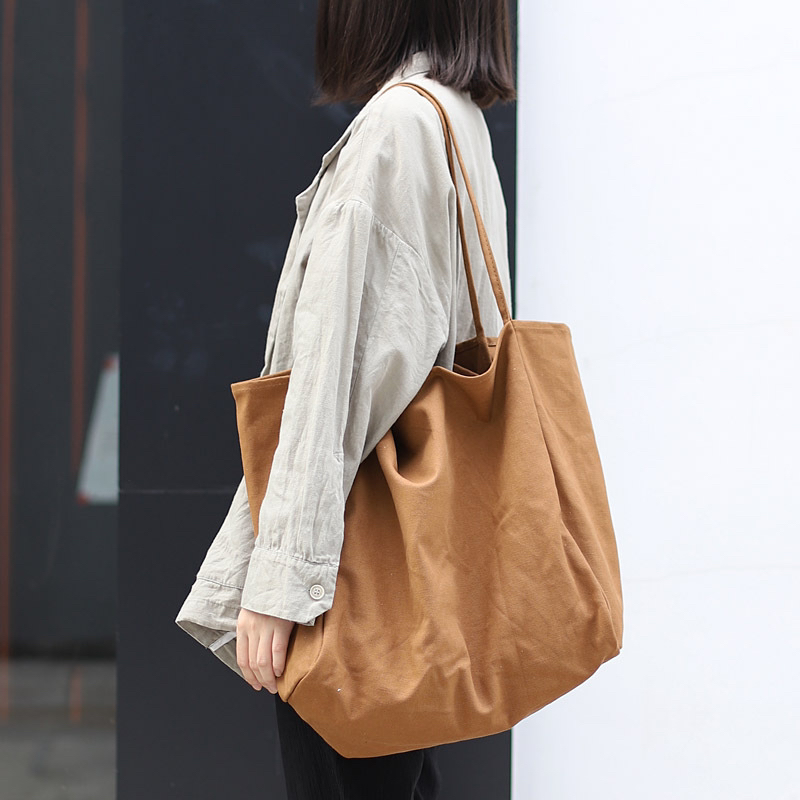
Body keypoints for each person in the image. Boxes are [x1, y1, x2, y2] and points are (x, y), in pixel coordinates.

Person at [176, 1, 515, 797]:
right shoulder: (456, 120)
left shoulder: (395, 128)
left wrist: (281, 583)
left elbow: (336, 379)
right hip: (414, 570)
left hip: (352, 581)